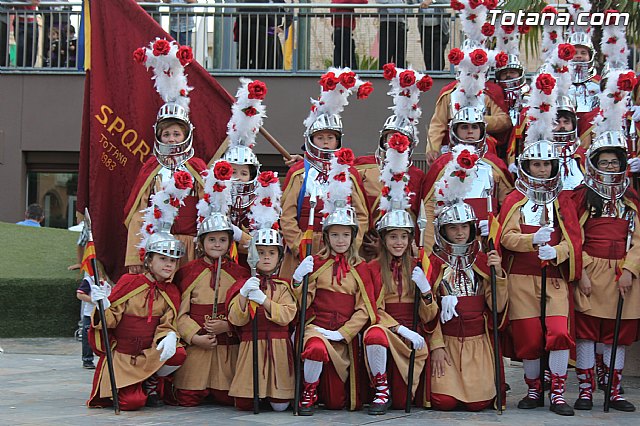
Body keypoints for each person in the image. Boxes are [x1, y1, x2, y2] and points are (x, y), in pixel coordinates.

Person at [500, 141, 582, 416]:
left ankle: (557, 393)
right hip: (521, 278)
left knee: (559, 333)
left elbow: (574, 241)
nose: (542, 170)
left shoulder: (563, 200)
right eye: (537, 164)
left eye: (547, 164)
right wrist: (531, 240)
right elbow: (505, 237)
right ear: (526, 166)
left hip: (554, 277)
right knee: (530, 337)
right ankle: (533, 389)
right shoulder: (514, 199)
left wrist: (556, 251)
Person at [294, 150, 377, 415]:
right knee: (316, 349)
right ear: (327, 236)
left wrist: (344, 332)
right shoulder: (315, 264)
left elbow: (365, 307)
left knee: (336, 402)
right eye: (335, 235)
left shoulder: (361, 268)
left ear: (353, 237)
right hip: (317, 331)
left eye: (345, 235)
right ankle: (307, 392)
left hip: (343, 336)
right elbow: (304, 303)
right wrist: (298, 281)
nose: (340, 240)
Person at [426, 152, 508, 411]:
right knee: (443, 401)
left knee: (479, 404)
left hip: (478, 344)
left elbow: (497, 308)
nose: (460, 233)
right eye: (453, 228)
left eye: (465, 227)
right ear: (443, 231)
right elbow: (426, 315)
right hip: (446, 344)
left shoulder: (484, 261)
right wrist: (436, 344)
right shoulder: (435, 264)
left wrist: (498, 275)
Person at [362, 140, 437, 414]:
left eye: (403, 237)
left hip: (414, 329)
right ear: (383, 239)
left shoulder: (419, 264)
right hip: (390, 328)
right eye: (393, 236)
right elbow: (372, 309)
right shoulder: (370, 268)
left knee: (410, 394)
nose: (398, 242)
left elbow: (430, 316)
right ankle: (381, 391)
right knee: (374, 335)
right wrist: (399, 328)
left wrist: (426, 292)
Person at [172, 162, 250, 407]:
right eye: (212, 239)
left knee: (228, 398)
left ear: (230, 243)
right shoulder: (187, 272)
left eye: (222, 240)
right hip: (198, 347)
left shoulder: (240, 273)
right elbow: (178, 311)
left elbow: (245, 310)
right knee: (186, 398)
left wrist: (227, 325)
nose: (217, 244)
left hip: (227, 349)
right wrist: (194, 336)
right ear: (201, 242)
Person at [280, 68, 371, 278]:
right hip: (305, 250)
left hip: (343, 250)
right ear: (311, 140)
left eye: (331, 137)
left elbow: (361, 216)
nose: (326, 142)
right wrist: (300, 246)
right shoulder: (299, 174)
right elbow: (287, 216)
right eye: (321, 137)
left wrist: (350, 245)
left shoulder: (349, 174)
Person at [125, 39, 206, 273]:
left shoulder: (197, 167)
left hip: (191, 249)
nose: (171, 139)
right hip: (156, 250)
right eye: (167, 133)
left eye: (176, 133)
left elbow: (210, 208)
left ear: (186, 135)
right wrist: (135, 258)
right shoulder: (151, 168)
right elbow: (138, 216)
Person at [87, 229, 187, 410]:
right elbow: (109, 321)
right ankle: (131, 386)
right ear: (148, 260)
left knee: (178, 354)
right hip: (124, 357)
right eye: (163, 259)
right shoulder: (130, 282)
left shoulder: (171, 291)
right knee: (132, 403)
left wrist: (170, 335)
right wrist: (103, 304)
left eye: (172, 260)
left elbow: (167, 323)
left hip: (149, 354)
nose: (169, 265)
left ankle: (151, 381)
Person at [226, 171, 297, 411]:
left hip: (277, 348)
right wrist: (245, 296)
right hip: (251, 348)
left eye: (271, 253)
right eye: (262, 252)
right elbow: (236, 319)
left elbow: (288, 315)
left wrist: (265, 301)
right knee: (245, 403)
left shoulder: (283, 286)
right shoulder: (243, 284)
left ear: (278, 257)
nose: (266, 258)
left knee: (280, 405)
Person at [355, 64, 431, 261]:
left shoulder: (418, 176)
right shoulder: (361, 165)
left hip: (402, 251)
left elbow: (420, 217)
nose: (395, 143)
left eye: (400, 138)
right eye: (390, 137)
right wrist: (304, 162)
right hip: (365, 250)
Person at [421, 109, 513, 256]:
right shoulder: (442, 164)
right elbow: (430, 207)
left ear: (482, 130)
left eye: (475, 127)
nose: (470, 132)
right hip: (449, 241)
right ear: (454, 130)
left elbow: (508, 207)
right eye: (464, 127)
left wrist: (495, 227)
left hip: (485, 241)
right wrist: (429, 249)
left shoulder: (496, 164)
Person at [221, 79, 270, 267]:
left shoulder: (262, 196)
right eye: (233, 171)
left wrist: (242, 238)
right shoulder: (215, 193)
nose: (238, 177)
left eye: (243, 172)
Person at [235, 0, 289, 69]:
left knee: (260, 60)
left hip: (264, 30)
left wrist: (282, 27)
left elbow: (288, 12)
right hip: (247, 28)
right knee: (245, 59)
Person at [376, 0, 417, 69]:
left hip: (401, 24)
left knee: (401, 58)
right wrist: (401, 6)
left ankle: (400, 78)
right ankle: (383, 78)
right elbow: (383, 2)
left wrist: (404, 8)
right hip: (387, 23)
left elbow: (411, 4)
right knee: (385, 57)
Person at [331, 0, 367, 69]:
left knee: (341, 55)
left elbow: (363, 1)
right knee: (348, 57)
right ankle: (350, 75)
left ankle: (340, 74)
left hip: (342, 30)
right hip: (342, 30)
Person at [418, 0, 448, 71]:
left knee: (438, 58)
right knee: (427, 57)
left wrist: (431, 1)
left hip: (439, 28)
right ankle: (429, 78)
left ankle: (437, 77)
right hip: (425, 28)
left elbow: (447, 1)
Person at [76, 276, 97, 369]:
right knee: (88, 337)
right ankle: (87, 359)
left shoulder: (109, 280)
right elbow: (80, 294)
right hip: (90, 314)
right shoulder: (89, 280)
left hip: (105, 312)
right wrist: (93, 300)